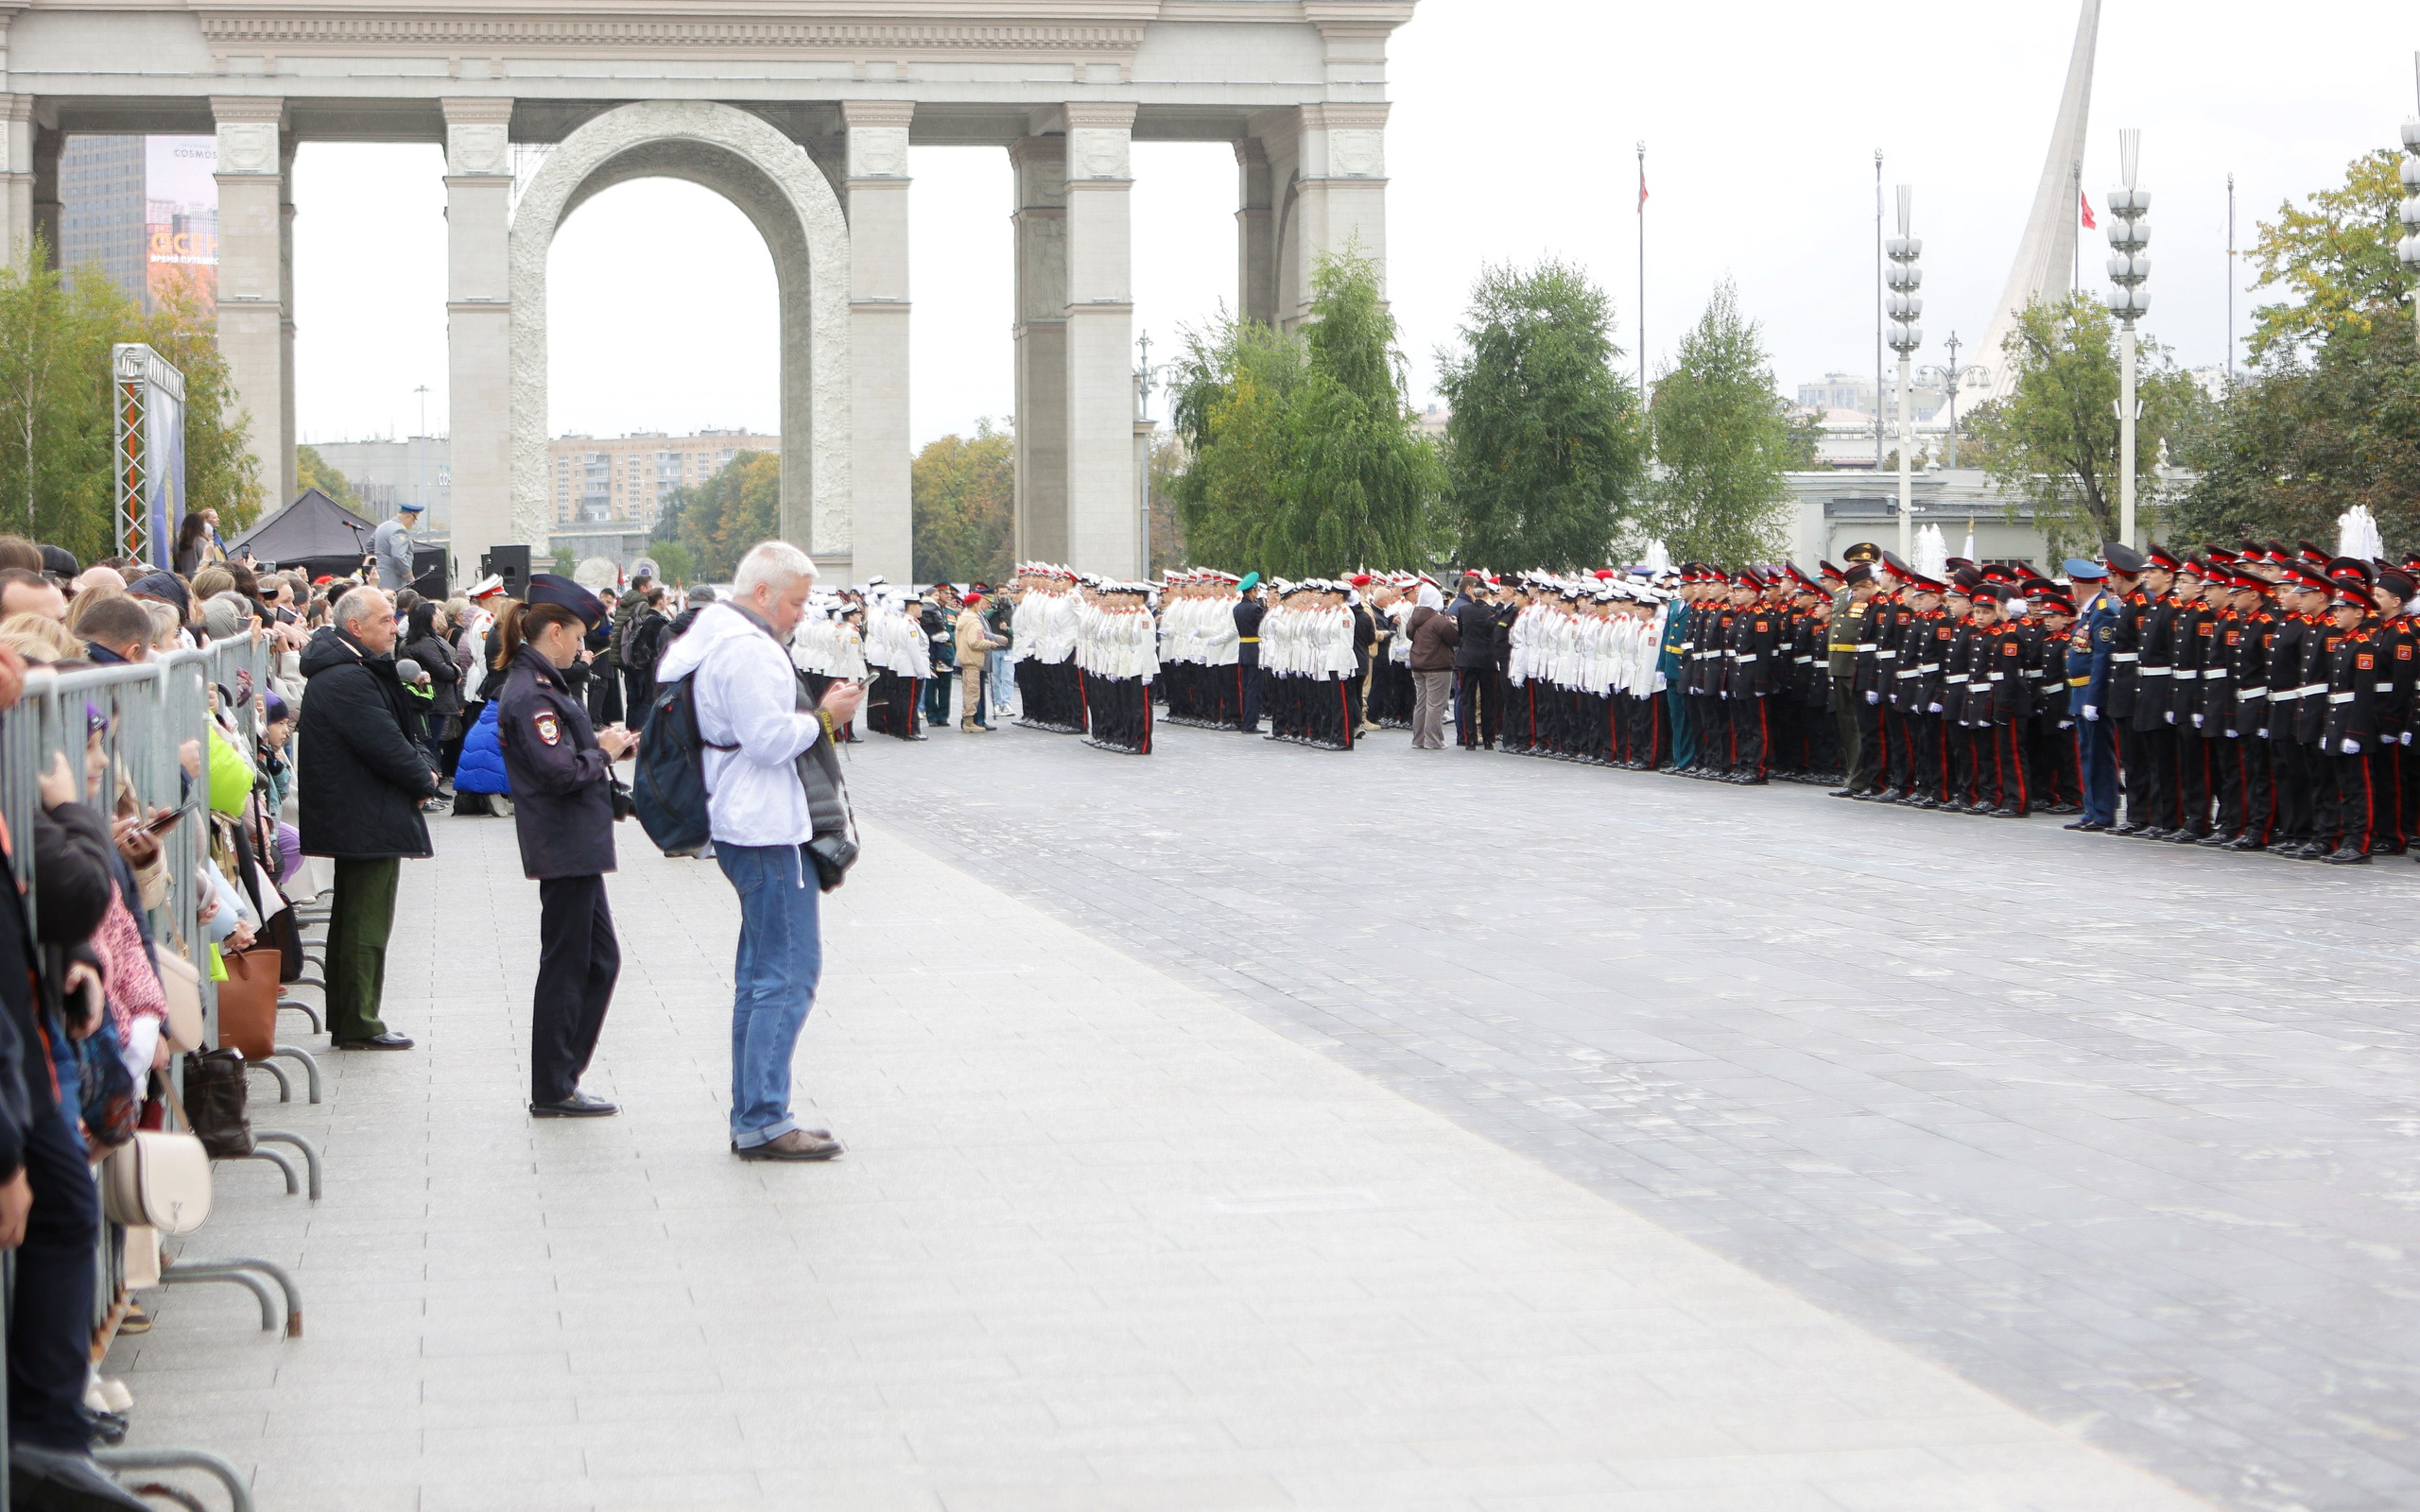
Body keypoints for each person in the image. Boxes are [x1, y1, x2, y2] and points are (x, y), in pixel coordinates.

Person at [652, 541, 863, 1160]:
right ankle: (765, 1120)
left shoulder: (720, 639)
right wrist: (826, 717)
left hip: (745, 821)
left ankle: (755, 1113)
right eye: (796, 602)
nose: (802, 613)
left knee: (760, 977)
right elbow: (769, 741)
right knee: (787, 976)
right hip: (766, 827)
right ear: (763, 593)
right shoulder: (746, 649)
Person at [495, 575, 638, 1117]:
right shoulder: (532, 692)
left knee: (599, 960)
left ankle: (563, 1077)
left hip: (576, 843)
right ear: (554, 632)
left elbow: (565, 756)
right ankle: (554, 1086)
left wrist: (604, 748)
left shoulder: (543, 684)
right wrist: (602, 753)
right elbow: (558, 772)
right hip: (564, 844)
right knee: (569, 963)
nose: (582, 648)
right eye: (578, 637)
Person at [297, 587, 438, 1050]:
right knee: (365, 923)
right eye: (385, 620)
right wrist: (423, 780)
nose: (395, 627)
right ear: (355, 627)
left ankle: (351, 1017)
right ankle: (359, 1021)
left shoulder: (349, 669)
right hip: (364, 814)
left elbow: (394, 733)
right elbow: (385, 744)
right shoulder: (347, 678)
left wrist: (421, 771)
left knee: (354, 918)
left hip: (359, 811)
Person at [1406, 580, 1458, 748]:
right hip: (1438, 666)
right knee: (1436, 705)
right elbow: (1454, 639)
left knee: (1421, 703)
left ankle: (1418, 739)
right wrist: (1455, 625)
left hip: (1418, 664)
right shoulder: (1439, 620)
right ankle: (1433, 740)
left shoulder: (1414, 619)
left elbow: (1409, 635)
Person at [954, 586, 1005, 731]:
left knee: (971, 691)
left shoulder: (965, 618)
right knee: (973, 692)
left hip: (967, 659)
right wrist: (990, 643)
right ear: (976, 604)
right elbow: (975, 642)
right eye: (985, 602)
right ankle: (971, 722)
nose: (988, 605)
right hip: (973, 660)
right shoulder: (974, 620)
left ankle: (973, 721)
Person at [370, 500, 424, 596]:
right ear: (409, 516)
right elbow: (398, 556)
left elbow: (370, 545)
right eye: (414, 519)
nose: (414, 523)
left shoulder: (382, 526)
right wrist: (409, 576)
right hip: (394, 580)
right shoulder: (400, 530)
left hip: (379, 576)